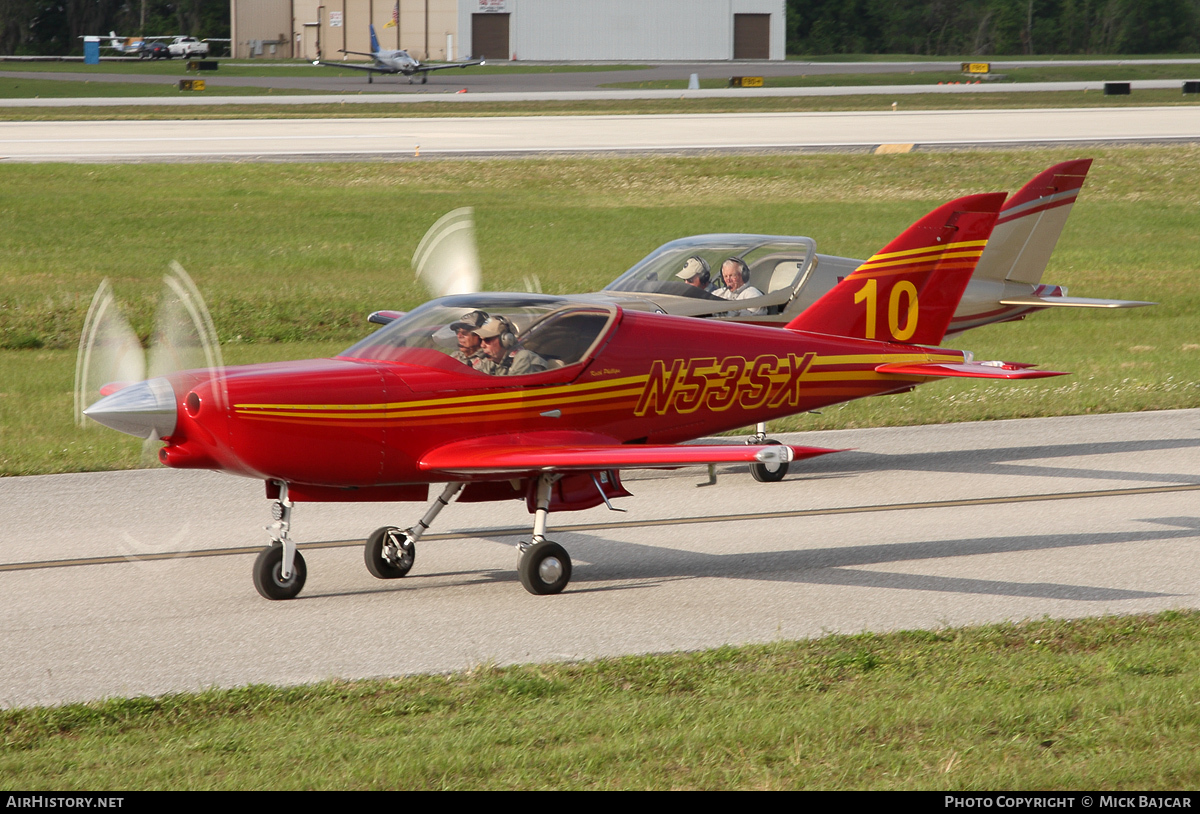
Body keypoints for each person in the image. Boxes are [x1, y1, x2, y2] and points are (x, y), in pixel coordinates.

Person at [472, 316, 548, 376]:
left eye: (487, 340)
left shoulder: (523, 358)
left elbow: (510, 391)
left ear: (505, 339)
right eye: (480, 340)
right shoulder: (493, 360)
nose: (482, 345)